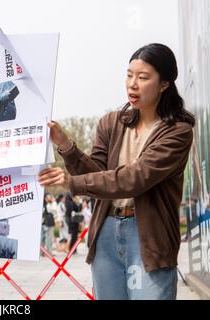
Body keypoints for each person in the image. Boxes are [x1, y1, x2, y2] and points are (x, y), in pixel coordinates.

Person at [38, 43, 195, 300]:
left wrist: (72, 183)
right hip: (107, 232)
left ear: (164, 84)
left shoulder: (177, 131)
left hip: (149, 237)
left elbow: (134, 179)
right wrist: (65, 144)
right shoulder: (111, 122)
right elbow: (97, 174)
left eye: (143, 77)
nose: (132, 84)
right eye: (129, 74)